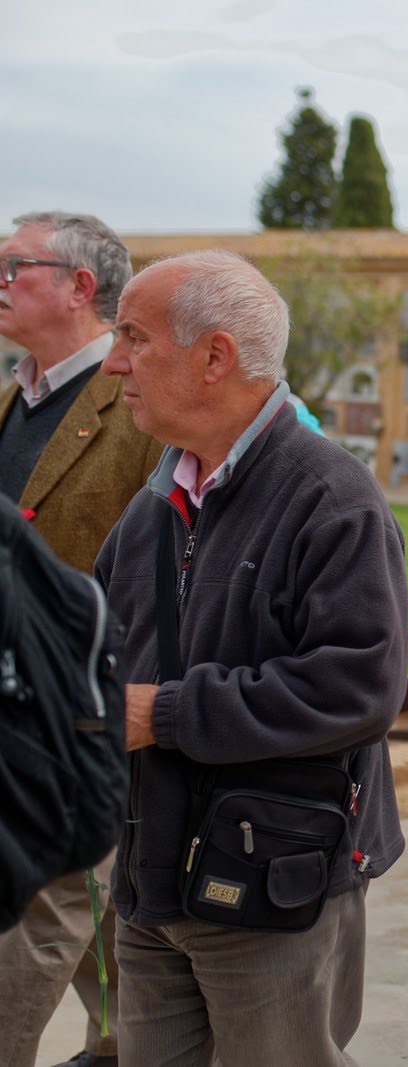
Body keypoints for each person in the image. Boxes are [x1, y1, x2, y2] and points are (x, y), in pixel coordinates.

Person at [94, 250, 408, 1064]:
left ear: (215, 355)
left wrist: (160, 712)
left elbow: (357, 688)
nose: (115, 359)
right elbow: (98, 645)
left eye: (133, 336)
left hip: (273, 883)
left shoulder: (332, 499)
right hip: (148, 880)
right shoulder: (153, 505)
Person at [0, 210, 163, 1067]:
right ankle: (131, 1049)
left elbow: (170, 569)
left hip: (87, 722)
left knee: (35, 921)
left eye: (12, 265)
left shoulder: (139, 404)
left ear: (78, 286)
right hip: (16, 713)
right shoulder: (14, 395)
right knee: (101, 934)